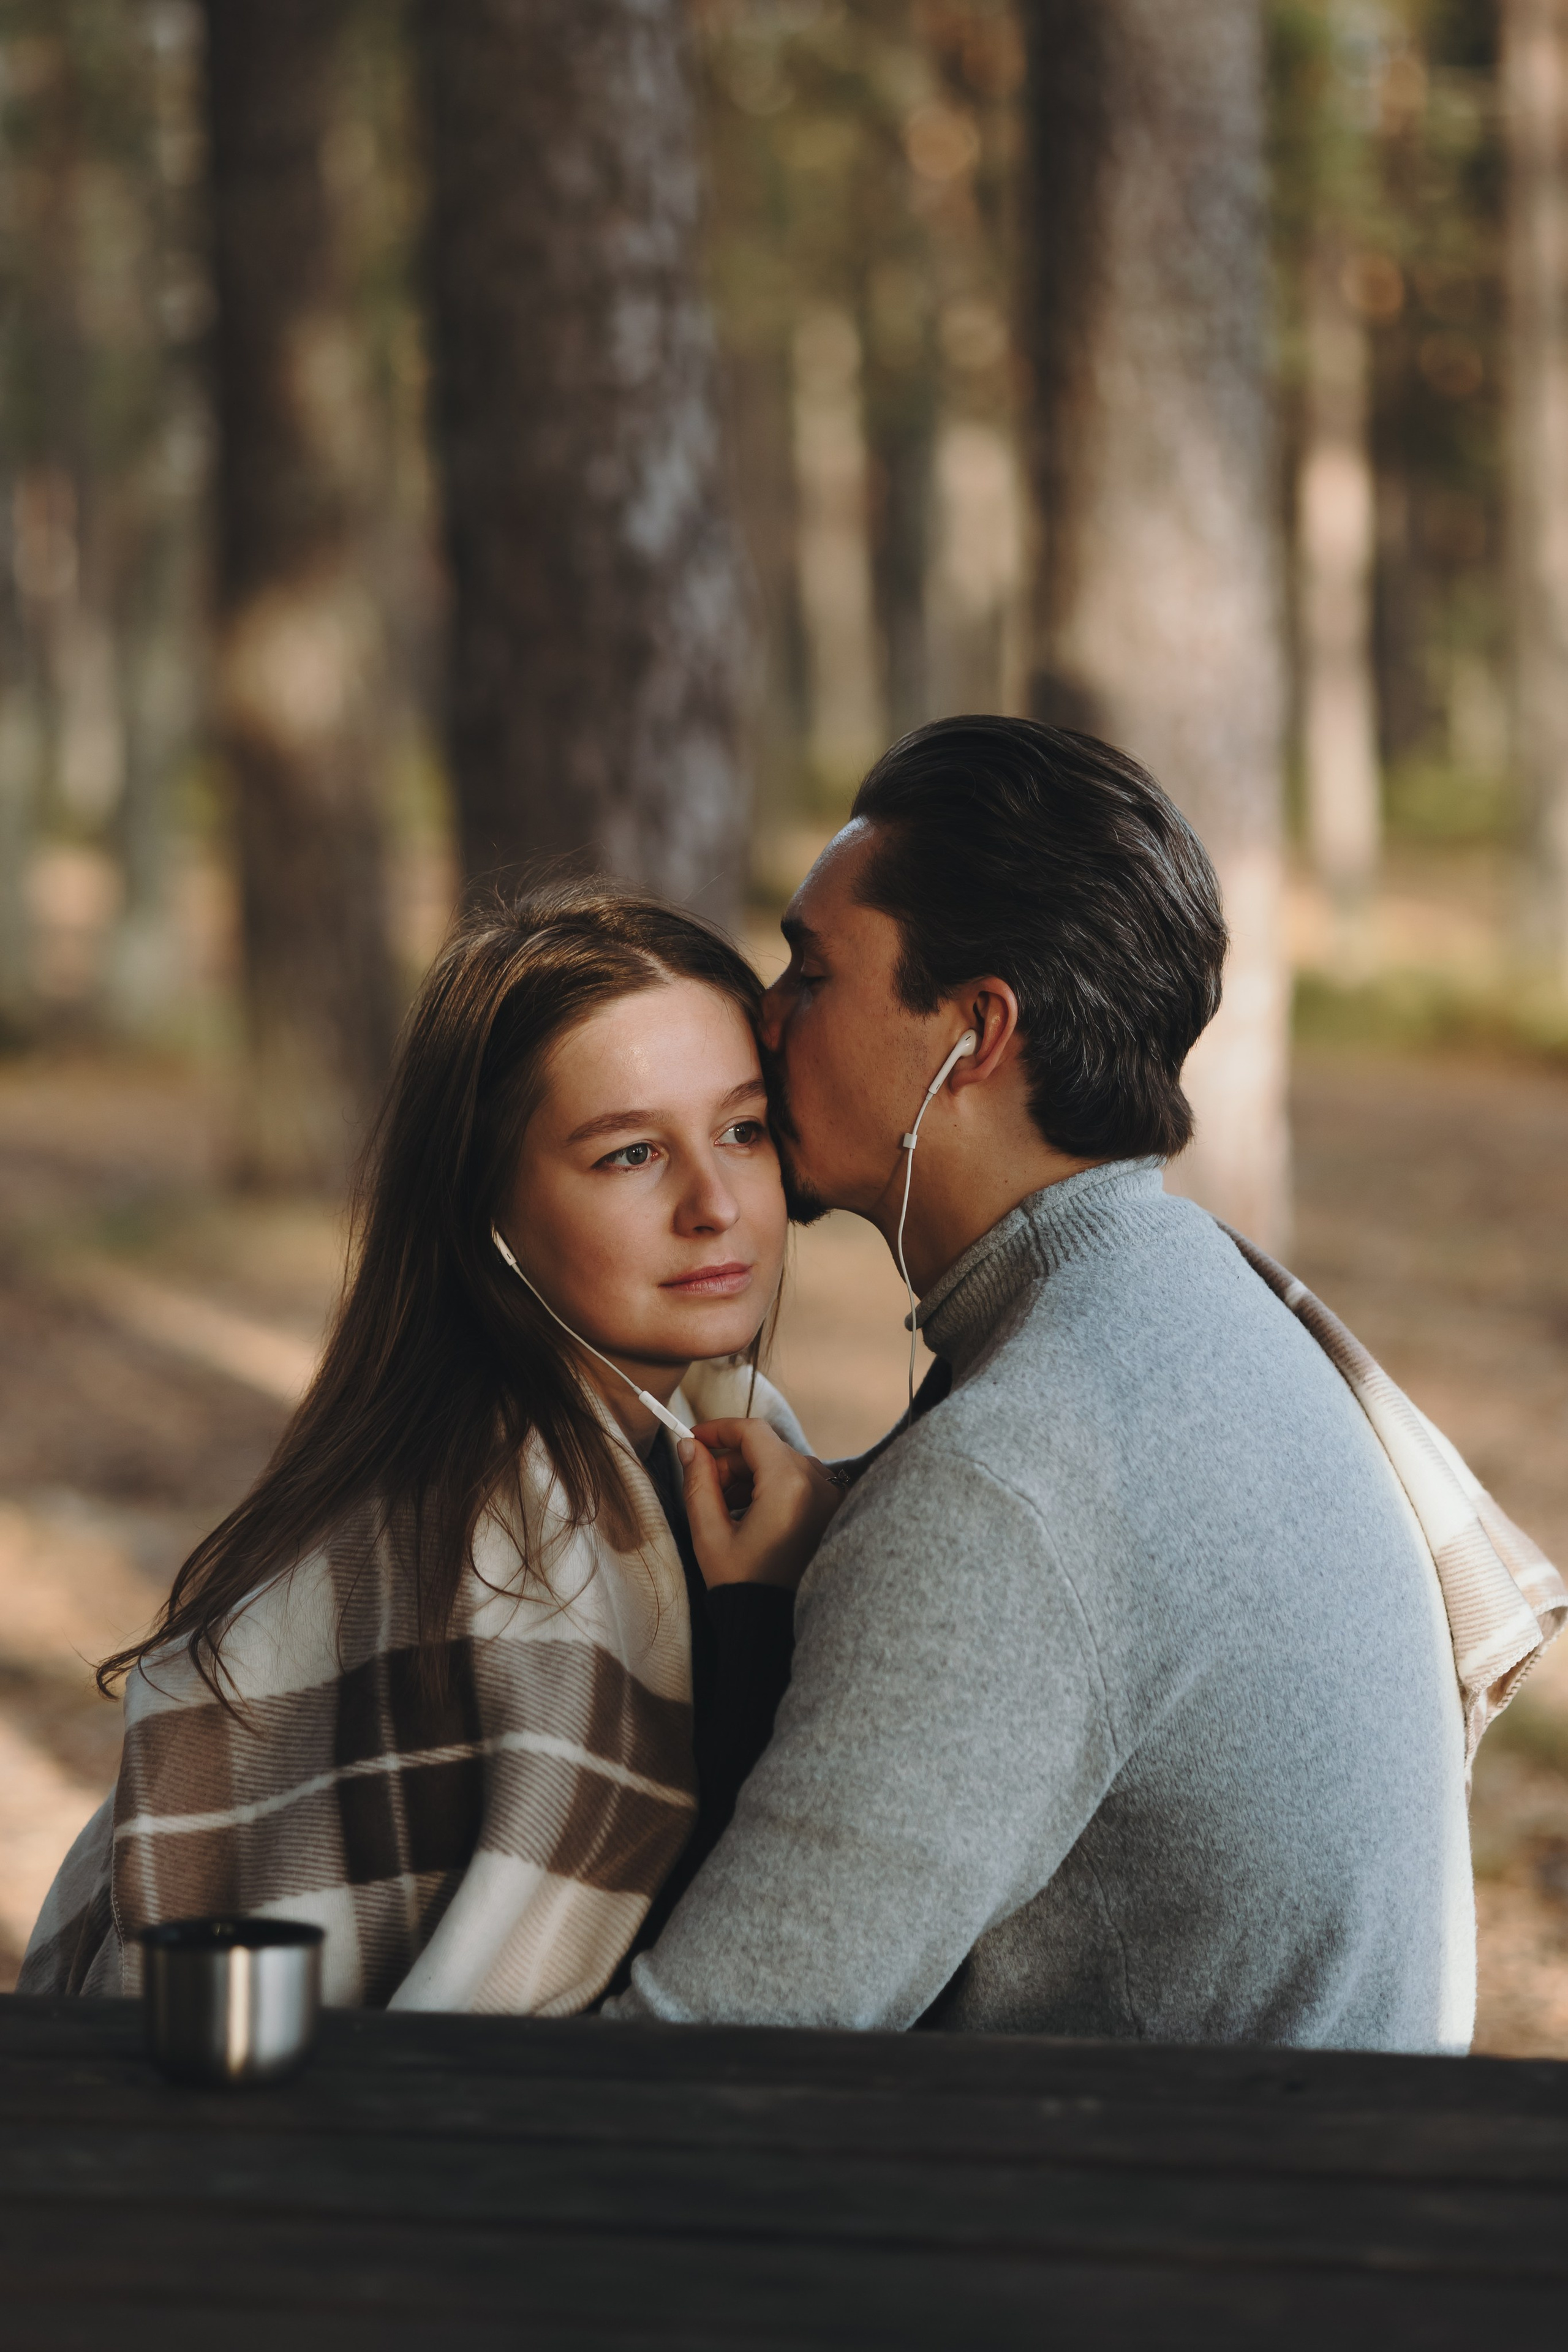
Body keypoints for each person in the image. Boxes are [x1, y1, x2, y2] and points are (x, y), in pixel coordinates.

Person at [608, 715, 1502, 2052]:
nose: (763, 1022)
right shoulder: (1190, 1292)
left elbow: (721, 2043)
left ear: (973, 1034)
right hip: (1300, 2198)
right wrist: (836, 1549)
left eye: (808, 969)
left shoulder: (1007, 1489)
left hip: (1161, 2240)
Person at [21, 883, 839, 2012]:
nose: (715, 1204)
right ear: (485, 1212)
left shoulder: (724, 1431)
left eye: (742, 1130)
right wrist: (755, 1624)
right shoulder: (506, 1539)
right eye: (629, 1156)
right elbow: (551, 2000)